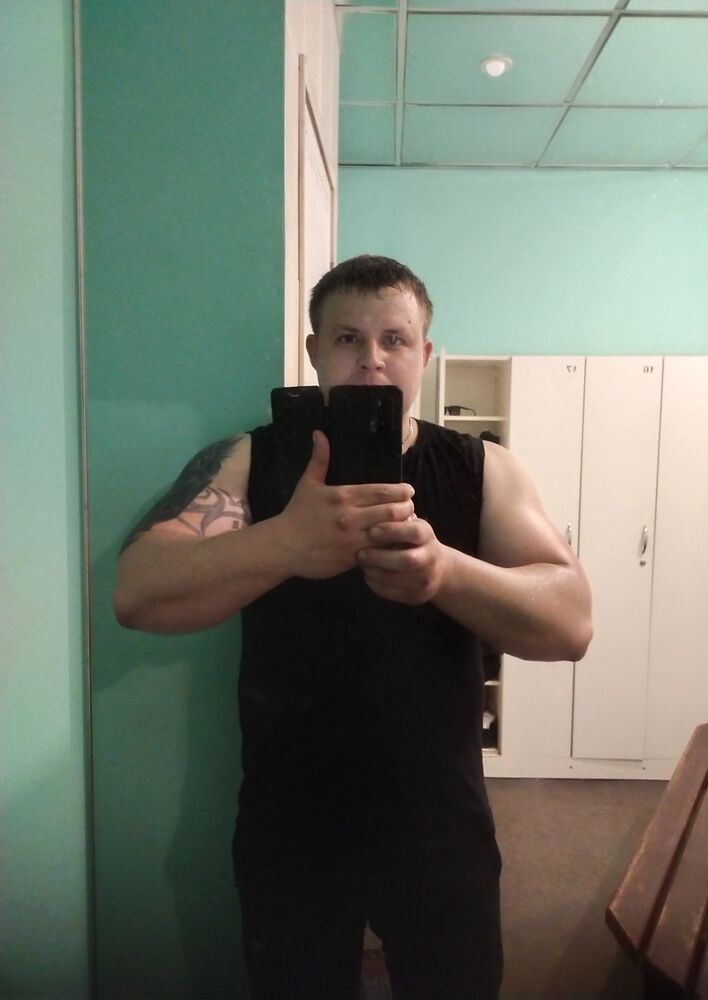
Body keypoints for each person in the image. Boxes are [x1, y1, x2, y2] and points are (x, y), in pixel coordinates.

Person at [115, 255, 592, 1000]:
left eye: (394, 339)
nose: (372, 360)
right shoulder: (253, 458)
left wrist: (445, 572)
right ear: (314, 352)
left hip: (439, 820)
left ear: (424, 354)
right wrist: (282, 543)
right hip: (292, 820)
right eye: (347, 339)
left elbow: (572, 623)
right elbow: (138, 592)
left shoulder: (483, 470)